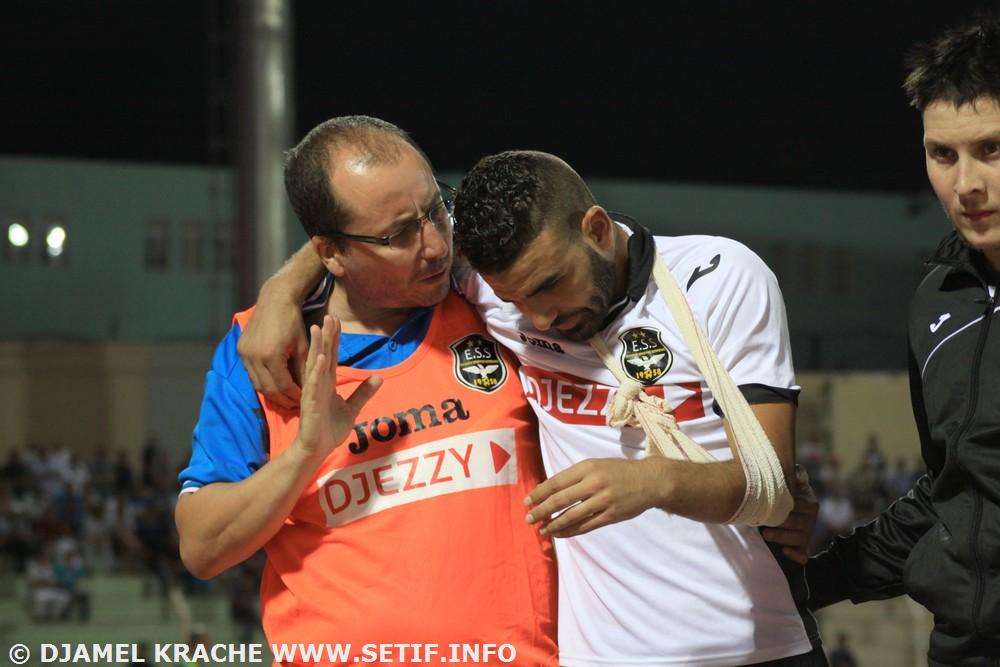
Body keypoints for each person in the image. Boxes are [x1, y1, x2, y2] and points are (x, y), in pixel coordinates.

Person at [245, 147, 825, 664]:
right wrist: (281, 290)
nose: (541, 318)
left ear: (596, 229)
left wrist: (652, 481)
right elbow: (372, 226)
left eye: (550, 284)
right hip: (599, 656)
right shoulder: (487, 287)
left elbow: (772, 491)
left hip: (761, 645)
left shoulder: (718, 279)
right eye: (516, 300)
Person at [174, 116, 557, 665]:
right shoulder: (264, 355)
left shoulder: (494, 295)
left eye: (436, 211)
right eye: (399, 236)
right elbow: (202, 547)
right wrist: (305, 454)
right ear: (330, 253)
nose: (434, 246)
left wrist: (284, 282)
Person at [804, 14, 1000, 666]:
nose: (966, 184)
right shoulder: (937, 299)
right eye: (943, 154)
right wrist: (803, 585)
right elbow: (949, 491)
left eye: (992, 149)